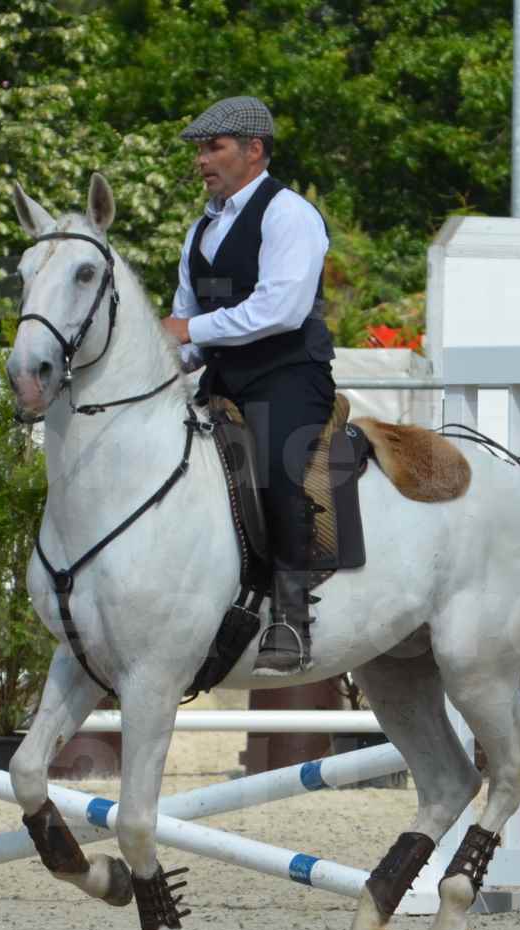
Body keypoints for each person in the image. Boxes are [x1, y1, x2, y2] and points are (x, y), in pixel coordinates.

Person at [161, 96, 336, 675]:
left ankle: (291, 619)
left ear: (253, 150)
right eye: (199, 150)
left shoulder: (290, 214)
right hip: (225, 378)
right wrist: (163, 355)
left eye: (214, 148)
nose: (202, 161)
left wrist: (191, 330)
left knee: (275, 466)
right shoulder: (201, 228)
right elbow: (185, 323)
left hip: (288, 374)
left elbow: (280, 309)